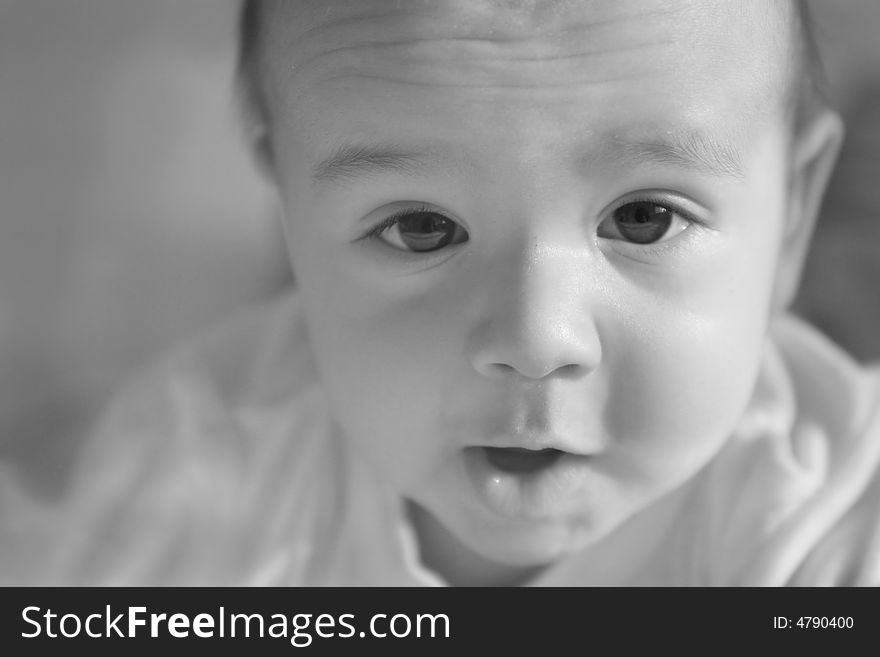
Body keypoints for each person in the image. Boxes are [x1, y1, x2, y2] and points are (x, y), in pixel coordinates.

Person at [15, 0, 880, 586]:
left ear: (790, 216)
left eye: (646, 217)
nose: (537, 338)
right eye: (421, 227)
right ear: (288, 215)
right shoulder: (194, 472)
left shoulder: (833, 528)